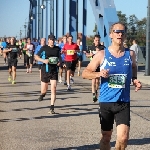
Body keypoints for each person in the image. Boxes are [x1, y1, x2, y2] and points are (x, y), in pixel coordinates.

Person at [82, 22, 142, 150]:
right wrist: (99, 73)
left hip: (123, 102)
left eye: (122, 32)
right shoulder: (102, 55)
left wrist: (135, 79)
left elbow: (133, 67)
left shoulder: (130, 54)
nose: (120, 34)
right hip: (106, 102)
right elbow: (85, 73)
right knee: (106, 137)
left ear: (125, 36)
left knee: (123, 138)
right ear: (111, 34)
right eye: (117, 31)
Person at [35, 35, 61, 114]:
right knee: (44, 90)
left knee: (53, 88)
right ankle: (43, 95)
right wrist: (43, 60)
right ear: (48, 40)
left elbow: (60, 58)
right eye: (51, 40)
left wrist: (60, 62)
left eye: (53, 40)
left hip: (54, 71)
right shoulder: (44, 48)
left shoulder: (57, 49)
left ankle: (52, 107)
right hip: (45, 70)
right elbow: (36, 56)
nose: (52, 41)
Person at [84, 35, 105, 102]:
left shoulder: (102, 47)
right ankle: (94, 95)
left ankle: (96, 91)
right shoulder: (91, 47)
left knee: (97, 81)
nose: (97, 41)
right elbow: (87, 55)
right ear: (94, 40)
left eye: (98, 40)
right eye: (96, 40)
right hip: (93, 66)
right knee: (93, 81)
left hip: (100, 66)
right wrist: (91, 55)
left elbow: (106, 54)